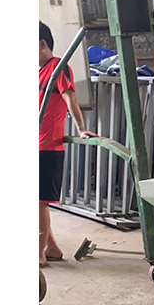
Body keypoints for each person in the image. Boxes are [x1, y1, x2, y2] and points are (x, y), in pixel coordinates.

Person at [39, 21, 96, 267]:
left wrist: (81, 128)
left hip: (47, 147)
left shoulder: (58, 68)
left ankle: (37, 254)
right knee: (36, 202)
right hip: (36, 145)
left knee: (39, 203)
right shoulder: (39, 73)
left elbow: (69, 97)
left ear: (42, 44)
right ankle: (51, 248)